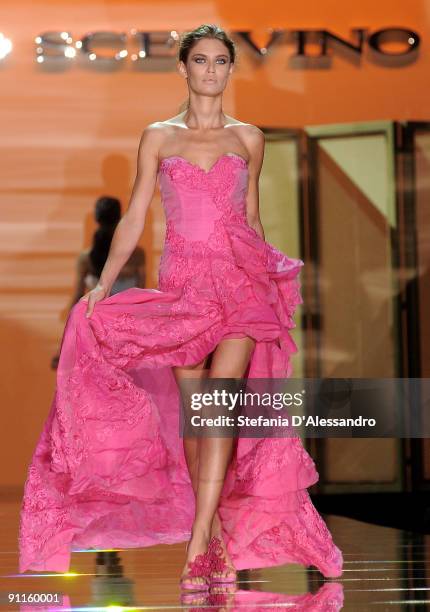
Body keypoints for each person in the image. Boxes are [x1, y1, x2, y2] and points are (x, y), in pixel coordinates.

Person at [18, 24, 343, 590]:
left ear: (229, 69)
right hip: (182, 292)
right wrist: (105, 285)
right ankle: (211, 527)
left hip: (240, 285)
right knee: (198, 420)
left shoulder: (249, 139)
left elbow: (253, 218)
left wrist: (269, 278)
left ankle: (198, 542)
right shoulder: (158, 137)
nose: (211, 71)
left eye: (221, 61)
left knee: (219, 407)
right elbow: (136, 214)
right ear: (184, 68)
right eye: (201, 61)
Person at [50, 196, 146, 369]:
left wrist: (62, 349)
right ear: (120, 217)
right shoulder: (137, 255)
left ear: (96, 219)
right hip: (127, 333)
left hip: (96, 333)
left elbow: (78, 298)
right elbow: (141, 297)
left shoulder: (85, 259)